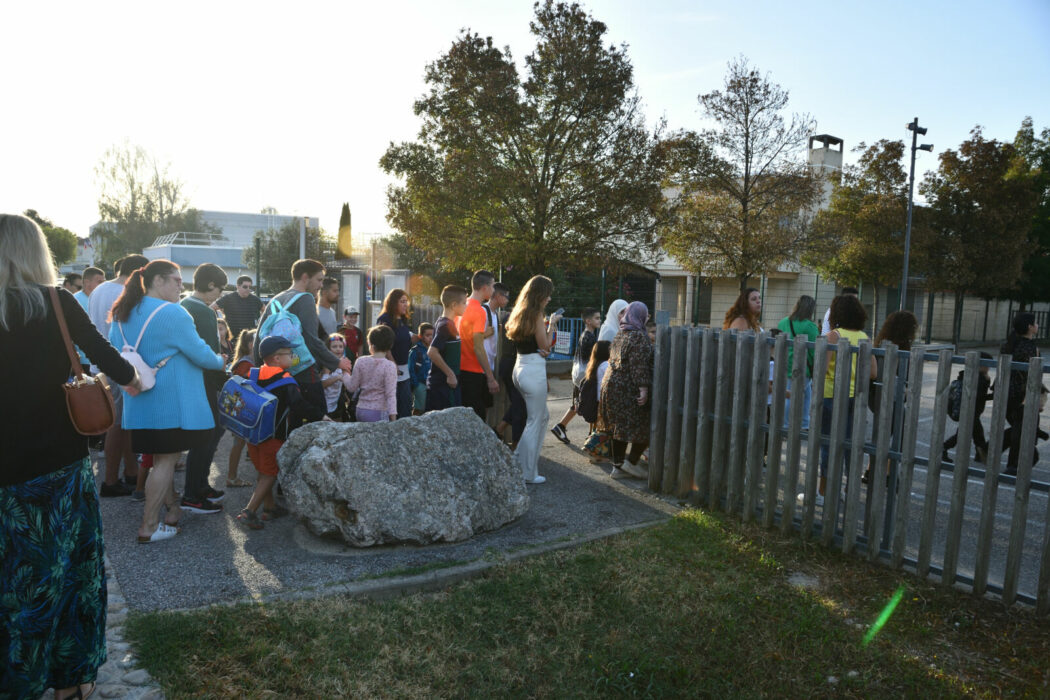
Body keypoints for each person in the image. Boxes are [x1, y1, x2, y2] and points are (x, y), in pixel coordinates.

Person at [0, 214, 141, 700]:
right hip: (57, 470)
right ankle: (69, 685)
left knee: (11, 584)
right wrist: (136, 379)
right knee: (70, 579)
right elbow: (111, 361)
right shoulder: (57, 302)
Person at [108, 259, 226, 543]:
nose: (180, 286)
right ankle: (148, 526)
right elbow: (200, 353)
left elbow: (114, 350)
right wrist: (220, 359)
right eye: (175, 280)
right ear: (157, 281)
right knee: (166, 462)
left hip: (140, 400)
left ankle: (172, 511)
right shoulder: (173, 313)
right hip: (171, 403)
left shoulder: (123, 312)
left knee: (161, 458)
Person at [237, 335, 328, 530]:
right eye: (290, 353)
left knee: (263, 471)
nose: (293, 356)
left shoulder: (254, 374)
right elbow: (299, 405)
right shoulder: (286, 380)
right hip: (273, 436)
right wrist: (321, 416)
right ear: (277, 358)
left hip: (252, 434)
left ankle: (269, 508)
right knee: (270, 474)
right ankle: (249, 511)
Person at [253, 259, 353, 415]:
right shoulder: (305, 299)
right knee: (317, 418)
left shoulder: (276, 299)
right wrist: (337, 362)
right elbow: (311, 339)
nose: (321, 286)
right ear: (305, 277)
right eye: (319, 280)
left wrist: (262, 368)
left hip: (278, 372)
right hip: (304, 371)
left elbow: (259, 339)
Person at [88, 253, 149, 496]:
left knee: (124, 422)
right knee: (119, 423)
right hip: (119, 365)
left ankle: (131, 473)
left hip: (101, 365)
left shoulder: (100, 289)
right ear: (140, 272)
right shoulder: (125, 292)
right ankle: (111, 481)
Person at [811, 294, 877, 503]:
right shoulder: (865, 338)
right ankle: (850, 490)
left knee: (829, 444)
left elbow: (821, 369)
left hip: (832, 396)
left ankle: (824, 492)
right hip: (854, 398)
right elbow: (873, 372)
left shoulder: (834, 336)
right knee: (850, 444)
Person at [178, 263, 230, 515]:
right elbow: (211, 353)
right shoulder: (204, 312)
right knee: (210, 433)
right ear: (211, 285)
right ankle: (193, 492)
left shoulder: (183, 305)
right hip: (205, 380)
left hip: (187, 378)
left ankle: (199, 486)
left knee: (205, 433)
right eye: (219, 290)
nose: (218, 296)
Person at [507, 275, 562, 484]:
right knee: (535, 421)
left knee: (542, 417)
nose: (549, 299)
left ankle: (518, 462)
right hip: (533, 370)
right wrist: (552, 325)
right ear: (540, 294)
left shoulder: (520, 313)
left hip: (520, 369)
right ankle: (528, 473)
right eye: (547, 295)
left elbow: (539, 347)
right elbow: (546, 346)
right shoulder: (537, 315)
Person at [598, 301, 653, 479]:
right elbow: (639, 365)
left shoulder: (621, 333)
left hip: (610, 384)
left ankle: (618, 466)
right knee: (645, 425)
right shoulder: (638, 336)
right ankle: (632, 462)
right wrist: (643, 389)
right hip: (625, 387)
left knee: (618, 427)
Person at [551, 307, 601, 444]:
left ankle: (560, 426)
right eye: (597, 318)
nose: (600, 320)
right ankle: (592, 437)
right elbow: (592, 359)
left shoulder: (586, 334)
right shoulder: (589, 337)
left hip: (578, 373)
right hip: (584, 375)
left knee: (577, 403)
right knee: (588, 404)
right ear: (588, 321)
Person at [1002, 312, 1041, 475]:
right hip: (1024, 396)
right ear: (1029, 327)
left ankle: (986, 449)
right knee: (1023, 430)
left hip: (1007, 394)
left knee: (1020, 428)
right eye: (1035, 323)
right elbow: (1032, 375)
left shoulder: (1011, 344)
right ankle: (1013, 464)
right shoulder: (1030, 348)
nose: (1037, 325)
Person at [458, 270, 500, 421]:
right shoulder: (479, 311)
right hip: (474, 372)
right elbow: (478, 346)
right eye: (493, 286)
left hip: (459, 369)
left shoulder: (462, 305)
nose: (494, 290)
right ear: (485, 288)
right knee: (477, 419)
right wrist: (490, 377)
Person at [943, 352, 994, 466]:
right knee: (964, 434)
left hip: (973, 411)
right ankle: (943, 448)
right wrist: (993, 395)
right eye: (987, 365)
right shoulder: (978, 378)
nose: (988, 368)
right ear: (980, 365)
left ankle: (980, 454)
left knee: (976, 434)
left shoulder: (977, 376)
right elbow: (979, 396)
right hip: (970, 411)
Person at [777, 295, 819, 430]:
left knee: (800, 394)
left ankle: (802, 423)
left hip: (784, 363)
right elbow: (814, 350)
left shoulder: (783, 322)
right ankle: (790, 424)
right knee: (796, 395)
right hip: (802, 366)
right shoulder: (810, 326)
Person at [345, 325, 399, 422]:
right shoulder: (390, 366)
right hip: (378, 411)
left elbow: (351, 387)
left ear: (370, 343)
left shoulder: (361, 361)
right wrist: (393, 419)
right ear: (390, 345)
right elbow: (390, 395)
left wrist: (344, 374)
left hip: (360, 409)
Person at [426, 285, 467, 411]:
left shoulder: (445, 322)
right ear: (454, 305)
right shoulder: (445, 325)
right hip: (442, 387)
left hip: (445, 385)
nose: (466, 306)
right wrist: (450, 375)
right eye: (464, 303)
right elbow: (432, 352)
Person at [225, 329, 256, 488]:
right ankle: (231, 477)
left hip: (240, 408)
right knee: (238, 443)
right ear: (251, 344)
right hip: (241, 410)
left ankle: (232, 476)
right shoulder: (246, 363)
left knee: (240, 442)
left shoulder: (246, 361)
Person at [377, 288, 414, 418]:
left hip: (404, 370)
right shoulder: (385, 319)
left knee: (406, 405)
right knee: (392, 407)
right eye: (402, 301)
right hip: (391, 369)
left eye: (406, 302)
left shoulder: (403, 320)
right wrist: (393, 364)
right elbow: (384, 344)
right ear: (393, 303)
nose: (406, 305)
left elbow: (406, 339)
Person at [579, 340, 613, 463]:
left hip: (598, 401)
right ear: (605, 352)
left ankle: (597, 454)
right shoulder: (605, 365)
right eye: (610, 348)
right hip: (604, 402)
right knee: (603, 430)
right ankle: (590, 448)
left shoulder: (596, 364)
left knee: (600, 429)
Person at [215, 275, 264, 340]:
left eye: (250, 287)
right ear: (238, 286)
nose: (248, 289)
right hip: (233, 337)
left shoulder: (255, 300)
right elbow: (210, 308)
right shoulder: (228, 298)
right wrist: (218, 322)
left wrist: (261, 324)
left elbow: (267, 311)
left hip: (251, 338)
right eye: (245, 287)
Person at [321, 333, 354, 420]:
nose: (338, 349)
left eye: (340, 346)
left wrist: (345, 394)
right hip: (326, 403)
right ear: (328, 349)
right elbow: (322, 384)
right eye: (334, 347)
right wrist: (337, 378)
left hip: (335, 402)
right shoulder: (327, 365)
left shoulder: (343, 361)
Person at [409, 322, 434, 415]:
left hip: (431, 384)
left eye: (432, 335)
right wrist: (416, 384)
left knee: (430, 410)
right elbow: (410, 368)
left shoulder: (435, 350)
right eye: (427, 335)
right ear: (420, 336)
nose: (430, 338)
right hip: (420, 384)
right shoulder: (416, 351)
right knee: (419, 408)